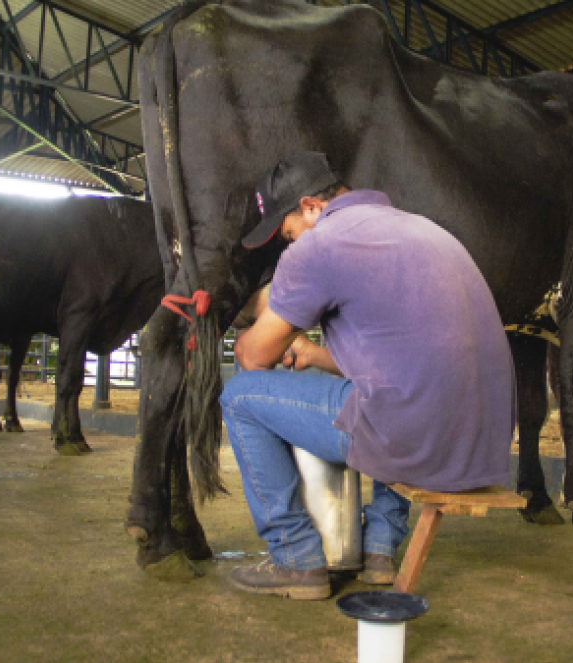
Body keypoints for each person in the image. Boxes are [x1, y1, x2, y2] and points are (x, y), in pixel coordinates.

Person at [221, 151, 516, 600]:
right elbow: (399, 356)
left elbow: (252, 356)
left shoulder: (321, 245)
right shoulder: (422, 229)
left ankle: (295, 558)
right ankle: (379, 548)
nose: (290, 245)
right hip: (482, 443)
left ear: (310, 207)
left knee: (240, 396)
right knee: (393, 389)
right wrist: (316, 355)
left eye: (288, 234)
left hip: (416, 437)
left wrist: (265, 315)